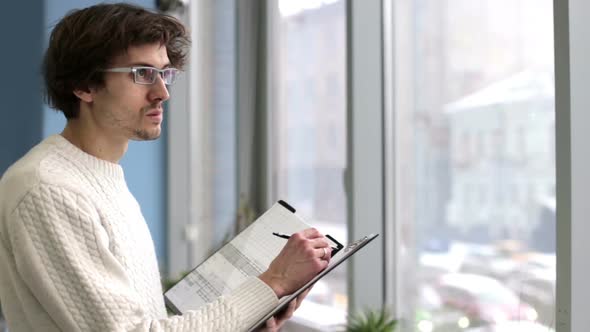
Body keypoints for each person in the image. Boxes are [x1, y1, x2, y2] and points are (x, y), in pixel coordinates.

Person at [0, 3, 332, 332]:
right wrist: (273, 282)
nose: (162, 93)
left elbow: (144, 322)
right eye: (142, 74)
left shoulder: (101, 177)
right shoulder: (48, 188)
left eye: (165, 74)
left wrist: (247, 321)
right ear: (84, 85)